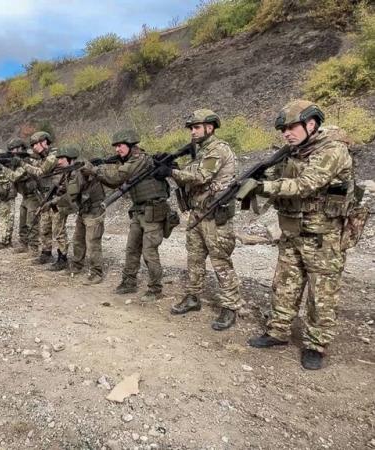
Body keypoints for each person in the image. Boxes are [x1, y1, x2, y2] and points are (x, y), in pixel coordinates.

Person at [245, 100, 356, 370]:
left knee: (322, 294)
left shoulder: (332, 150)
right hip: (293, 230)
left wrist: (262, 186)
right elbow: (279, 177)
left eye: (291, 127)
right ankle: (278, 332)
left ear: (311, 124)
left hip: (324, 235)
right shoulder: (293, 152)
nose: (286, 133)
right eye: (283, 129)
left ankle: (316, 344)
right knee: (285, 284)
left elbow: (306, 185)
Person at [157, 110, 243, 330]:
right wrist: (172, 164)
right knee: (194, 259)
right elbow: (191, 173)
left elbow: (200, 177)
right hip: (198, 213)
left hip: (215, 216)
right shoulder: (200, 151)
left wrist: (170, 171)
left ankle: (230, 306)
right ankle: (193, 296)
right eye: (191, 128)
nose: (193, 131)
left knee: (220, 262)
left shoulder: (218, 150)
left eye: (196, 127)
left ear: (210, 127)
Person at [85, 129, 171, 297]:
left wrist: (95, 170)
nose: (117, 149)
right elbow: (113, 181)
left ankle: (155, 289)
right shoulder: (128, 160)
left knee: (149, 251)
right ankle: (129, 282)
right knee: (131, 248)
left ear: (131, 145)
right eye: (116, 146)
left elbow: (117, 177)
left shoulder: (140, 159)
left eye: (121, 146)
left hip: (154, 211)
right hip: (139, 211)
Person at [11, 131, 70, 265]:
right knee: (44, 227)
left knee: (58, 230)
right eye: (32, 145)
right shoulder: (43, 156)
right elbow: (37, 164)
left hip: (57, 197)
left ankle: (63, 258)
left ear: (44, 142)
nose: (34, 148)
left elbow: (40, 171)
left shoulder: (53, 156)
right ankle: (46, 253)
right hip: (46, 197)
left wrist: (22, 163)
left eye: (35, 144)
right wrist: (26, 159)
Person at [55, 146, 107, 282]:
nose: (58, 162)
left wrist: (53, 202)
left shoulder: (80, 170)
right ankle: (77, 265)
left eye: (61, 159)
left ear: (70, 160)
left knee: (93, 243)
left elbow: (71, 195)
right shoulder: (70, 172)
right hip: (84, 210)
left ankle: (97, 272)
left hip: (94, 211)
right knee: (78, 240)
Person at [7, 138, 41, 254]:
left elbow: (14, 176)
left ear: (21, 148)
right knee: (23, 223)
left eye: (14, 149)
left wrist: (2, 168)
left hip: (33, 196)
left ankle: (34, 247)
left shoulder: (29, 160)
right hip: (25, 196)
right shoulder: (17, 162)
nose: (12, 152)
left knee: (32, 223)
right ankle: (24, 244)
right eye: (11, 150)